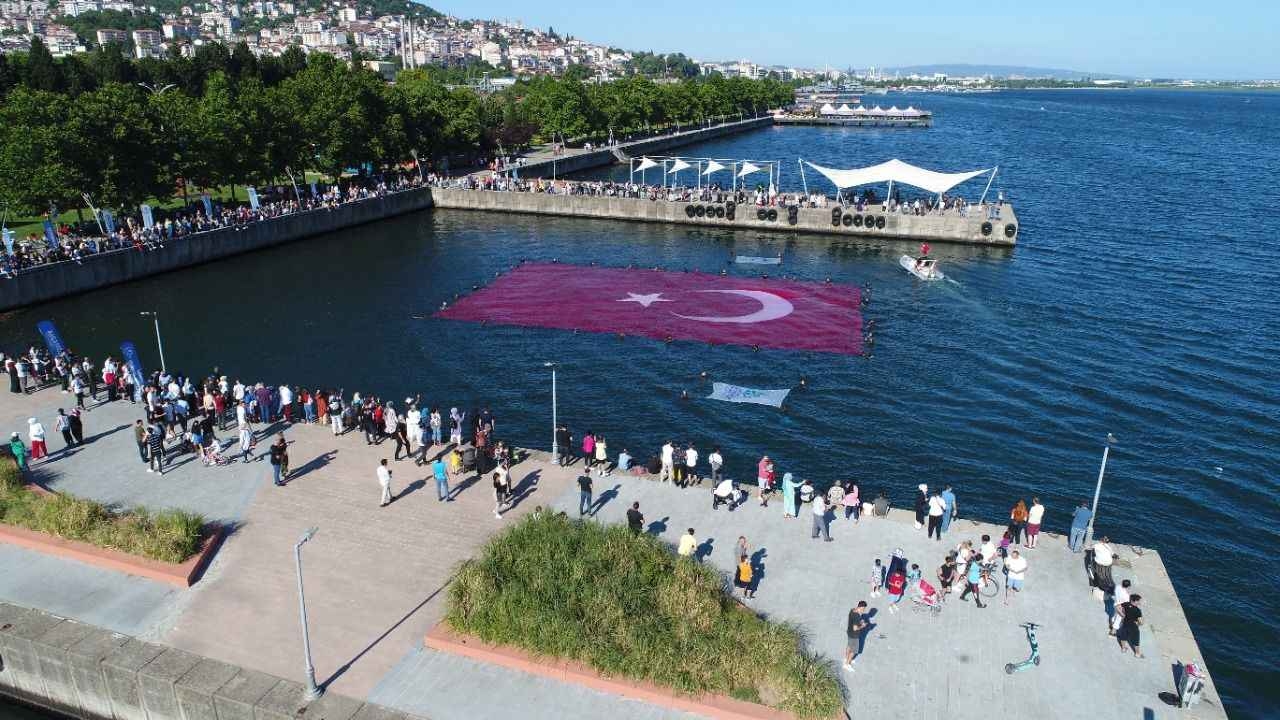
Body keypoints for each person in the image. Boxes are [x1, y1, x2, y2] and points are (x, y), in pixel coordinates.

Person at [843, 601, 869, 671]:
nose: (864, 610)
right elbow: (855, 628)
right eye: (863, 609)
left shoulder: (852, 610)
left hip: (849, 632)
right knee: (854, 650)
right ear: (860, 607)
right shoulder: (857, 616)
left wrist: (860, 621)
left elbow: (854, 620)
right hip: (854, 635)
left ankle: (846, 658)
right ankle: (847, 664)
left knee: (849, 646)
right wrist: (862, 626)